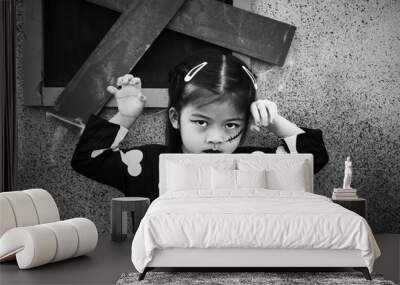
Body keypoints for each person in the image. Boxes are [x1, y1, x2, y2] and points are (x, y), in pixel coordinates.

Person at [71, 51, 329, 201]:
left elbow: (311, 157)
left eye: (231, 125)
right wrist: (126, 116)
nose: (215, 138)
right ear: (175, 118)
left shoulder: (254, 162)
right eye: (201, 122)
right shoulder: (151, 164)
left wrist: (273, 121)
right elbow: (88, 159)